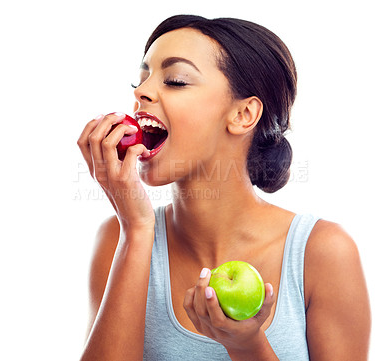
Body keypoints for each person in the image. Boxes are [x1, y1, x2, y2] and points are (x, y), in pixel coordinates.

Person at [77, 15, 371, 361]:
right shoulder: (119, 238)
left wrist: (248, 346)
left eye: (175, 80)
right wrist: (137, 231)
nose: (141, 92)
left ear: (243, 114)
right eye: (140, 80)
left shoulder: (323, 252)